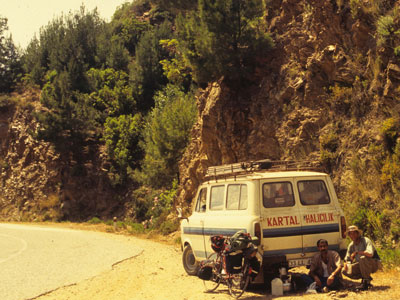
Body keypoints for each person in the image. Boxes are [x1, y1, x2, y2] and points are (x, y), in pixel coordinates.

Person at [342, 225, 381, 291]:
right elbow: (347, 258)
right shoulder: (351, 245)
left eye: (354, 233)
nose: (352, 235)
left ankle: (366, 282)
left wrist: (358, 252)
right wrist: (346, 263)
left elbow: (370, 254)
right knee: (344, 270)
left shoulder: (365, 240)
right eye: (350, 234)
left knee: (362, 258)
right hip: (361, 265)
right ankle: (365, 278)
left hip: (374, 263)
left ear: (358, 233)